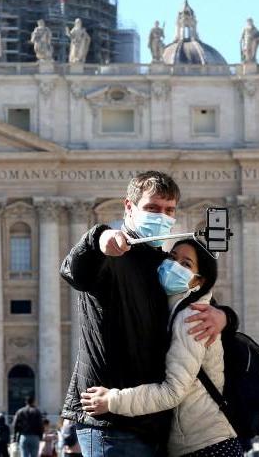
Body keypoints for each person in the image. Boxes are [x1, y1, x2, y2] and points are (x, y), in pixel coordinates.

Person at [60, 171, 238, 456]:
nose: (162, 216)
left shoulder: (162, 264)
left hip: (153, 423)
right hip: (110, 419)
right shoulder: (110, 256)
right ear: (129, 207)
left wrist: (225, 316)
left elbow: (194, 300)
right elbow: (74, 271)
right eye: (152, 208)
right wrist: (99, 238)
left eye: (169, 210)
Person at [80, 238, 240, 457]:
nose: (174, 266)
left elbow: (173, 392)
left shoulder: (192, 318)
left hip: (204, 445)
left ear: (198, 281)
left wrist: (112, 401)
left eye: (186, 264)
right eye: (172, 258)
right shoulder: (175, 309)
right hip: (197, 442)